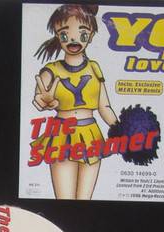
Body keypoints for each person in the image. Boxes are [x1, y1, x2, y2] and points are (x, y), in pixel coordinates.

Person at [32, 3, 118, 200]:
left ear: (91, 35)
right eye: (65, 34)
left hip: (91, 136)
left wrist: (122, 129)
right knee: (64, 200)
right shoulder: (51, 70)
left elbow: (104, 106)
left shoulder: (94, 68)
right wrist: (44, 101)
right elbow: (39, 98)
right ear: (57, 35)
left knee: (85, 201)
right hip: (62, 135)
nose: (73, 39)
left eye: (82, 33)